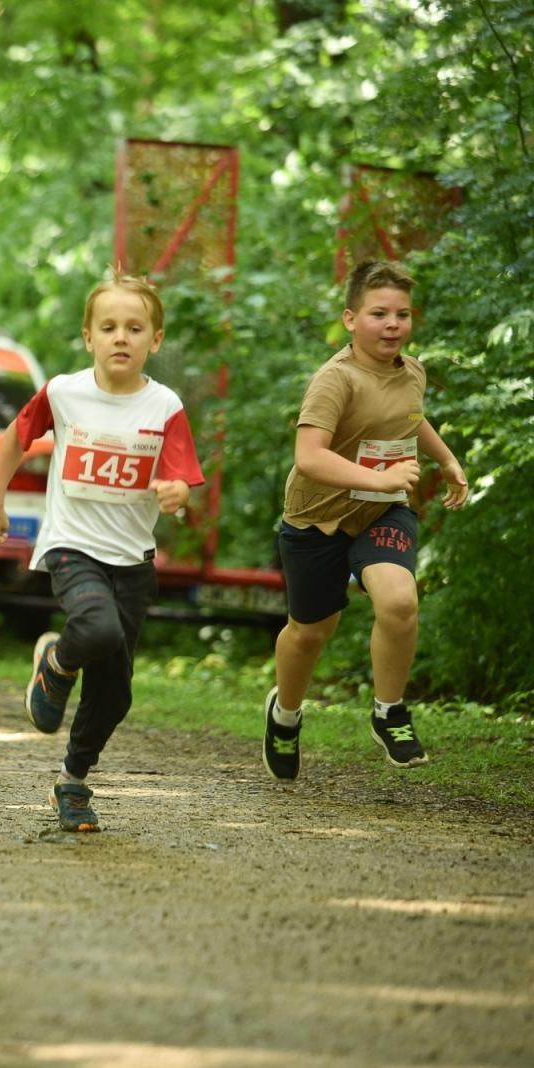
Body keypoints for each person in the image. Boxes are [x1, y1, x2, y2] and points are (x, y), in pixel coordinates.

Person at [0, 268, 204, 832]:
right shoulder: (63, 391)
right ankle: (56, 660)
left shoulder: (165, 405)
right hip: (71, 545)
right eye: (109, 327)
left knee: (117, 693)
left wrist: (176, 493)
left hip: (133, 560)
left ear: (155, 340)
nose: (121, 337)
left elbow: (179, 479)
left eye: (134, 327)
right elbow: (17, 435)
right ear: (89, 337)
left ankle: (72, 782)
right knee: (96, 630)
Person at [262, 260, 469, 782]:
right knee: (310, 633)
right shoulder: (337, 380)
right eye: (379, 313)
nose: (393, 324)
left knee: (399, 599)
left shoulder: (412, 370)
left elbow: (410, 419)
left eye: (402, 314)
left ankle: (389, 710)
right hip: (317, 518)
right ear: (351, 318)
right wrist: (377, 478)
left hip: (382, 510)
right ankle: (285, 714)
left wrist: (446, 461)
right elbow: (309, 456)